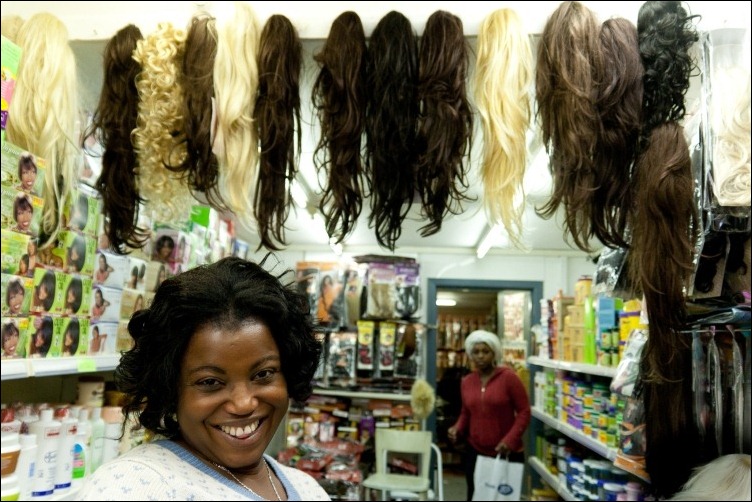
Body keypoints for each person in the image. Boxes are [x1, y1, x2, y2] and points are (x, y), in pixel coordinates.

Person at [78, 255, 330, 501]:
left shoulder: (306, 487)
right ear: (170, 389)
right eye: (210, 382)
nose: (243, 404)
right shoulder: (134, 485)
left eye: (263, 374)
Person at [447, 329, 531, 501]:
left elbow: (524, 411)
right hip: (476, 452)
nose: (480, 356)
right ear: (470, 355)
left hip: (506, 453)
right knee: (475, 495)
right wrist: (457, 428)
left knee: (503, 498)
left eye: (485, 352)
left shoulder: (509, 378)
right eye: (476, 352)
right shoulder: (467, 382)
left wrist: (510, 440)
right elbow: (466, 412)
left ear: (494, 353)